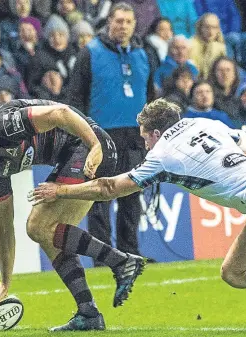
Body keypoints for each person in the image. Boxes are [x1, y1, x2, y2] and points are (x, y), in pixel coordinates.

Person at [29, 98, 246, 304]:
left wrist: (61, 191)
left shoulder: (164, 155)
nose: (144, 144)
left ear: (155, 132)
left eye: (143, 137)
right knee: (233, 274)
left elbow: (109, 188)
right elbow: (244, 140)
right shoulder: (203, 123)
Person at [0, 99, 146, 331]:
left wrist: (95, 146)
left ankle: (121, 262)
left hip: (90, 146)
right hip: (72, 156)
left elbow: (61, 113)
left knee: (38, 226)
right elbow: (2, 226)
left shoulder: (2, 126)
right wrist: (5, 282)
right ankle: (89, 312)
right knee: (48, 235)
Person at [68, 2, 154, 257]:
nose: (123, 26)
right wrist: (83, 138)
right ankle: (103, 257)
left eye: (128, 22)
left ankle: (131, 253)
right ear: (109, 22)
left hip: (135, 138)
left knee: (131, 199)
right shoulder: (90, 53)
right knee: (99, 200)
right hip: (101, 138)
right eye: (119, 21)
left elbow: (150, 99)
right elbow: (75, 98)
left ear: (135, 25)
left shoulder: (144, 54)